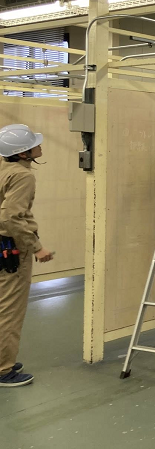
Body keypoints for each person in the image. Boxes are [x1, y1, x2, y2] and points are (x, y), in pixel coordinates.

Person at [0, 124, 54, 387]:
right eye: (34, 144)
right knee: (9, 310)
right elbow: (11, 217)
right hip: (10, 249)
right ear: (23, 153)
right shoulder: (22, 176)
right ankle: (3, 369)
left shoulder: (3, 169)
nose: (39, 146)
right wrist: (36, 247)